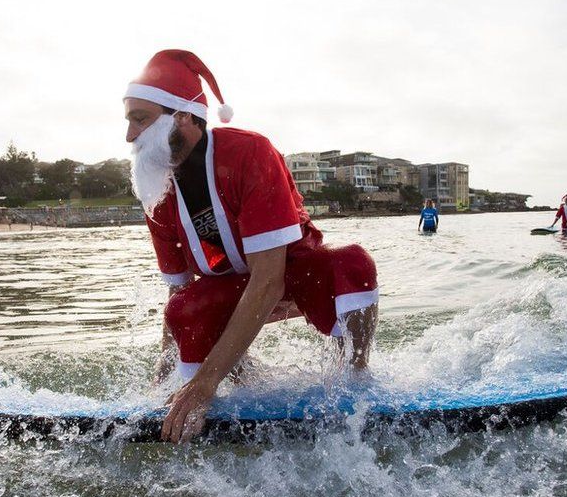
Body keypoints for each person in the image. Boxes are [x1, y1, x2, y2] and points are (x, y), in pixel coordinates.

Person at [123, 50, 379, 443]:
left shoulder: (249, 154)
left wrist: (205, 382)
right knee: (184, 308)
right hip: (230, 288)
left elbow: (269, 279)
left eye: (140, 120)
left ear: (184, 116)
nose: (129, 136)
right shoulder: (158, 191)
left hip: (293, 275)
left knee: (354, 263)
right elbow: (179, 294)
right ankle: (245, 388)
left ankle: (357, 378)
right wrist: (160, 385)